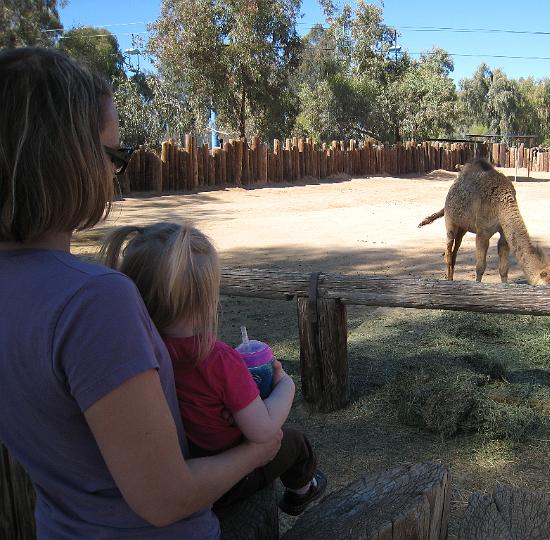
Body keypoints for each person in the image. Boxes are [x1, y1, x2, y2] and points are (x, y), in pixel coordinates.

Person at [0, 47, 282, 538]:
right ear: (68, 160)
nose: (115, 173)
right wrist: (259, 448)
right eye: (114, 156)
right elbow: (164, 499)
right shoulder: (92, 301)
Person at [100, 223, 327, 516]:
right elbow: (263, 430)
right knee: (294, 441)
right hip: (223, 479)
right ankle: (301, 492)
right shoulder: (219, 360)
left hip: (178, 469)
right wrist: (287, 387)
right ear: (207, 298)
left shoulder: (142, 351)